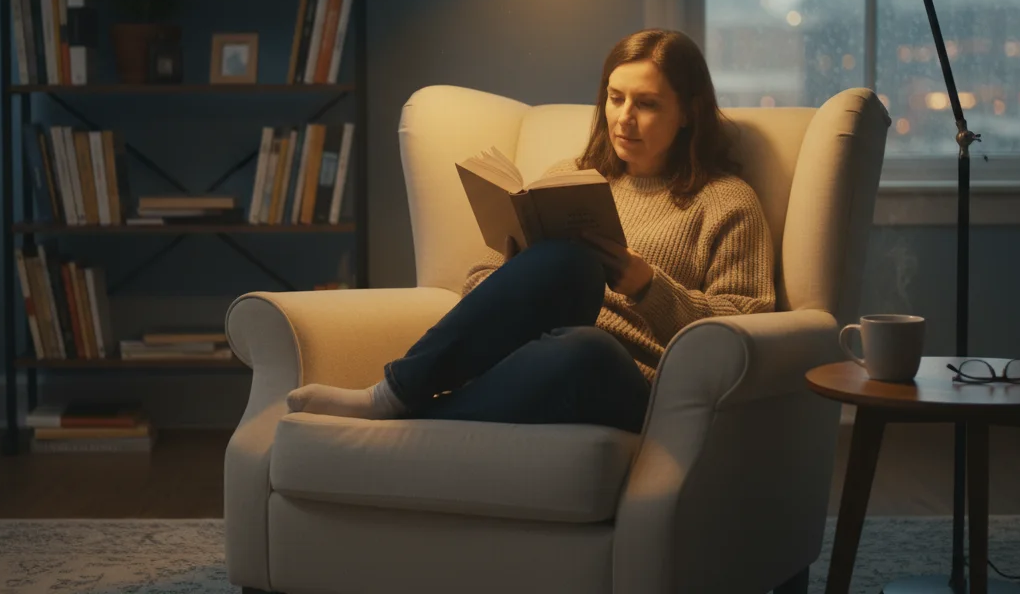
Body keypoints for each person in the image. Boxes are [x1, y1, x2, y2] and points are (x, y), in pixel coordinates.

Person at [286, 28, 777, 433]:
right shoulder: (574, 175)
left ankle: (393, 414)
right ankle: (395, 393)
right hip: (527, 356)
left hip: (623, 377)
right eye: (615, 98)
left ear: (688, 112)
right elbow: (478, 284)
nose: (624, 118)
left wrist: (648, 286)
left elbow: (747, 326)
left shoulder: (725, 201)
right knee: (568, 263)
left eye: (646, 104)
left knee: (587, 347)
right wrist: (518, 263)